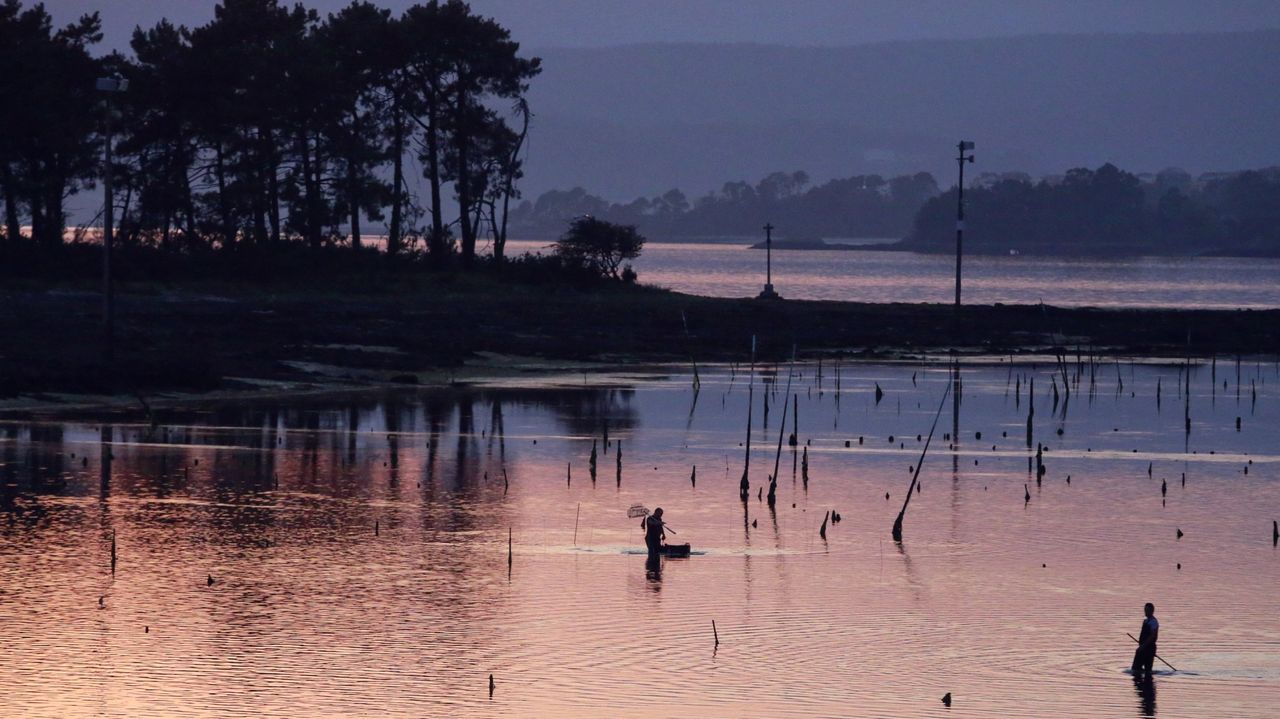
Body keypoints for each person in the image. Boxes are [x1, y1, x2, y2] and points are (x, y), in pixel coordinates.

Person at [1131, 602, 1159, 679]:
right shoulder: (1146, 621)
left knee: (1146, 670)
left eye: (1147, 610)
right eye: (1145, 610)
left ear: (1152, 611)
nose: (1145, 612)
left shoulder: (1153, 622)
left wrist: (1143, 646)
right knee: (1136, 669)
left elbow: (1152, 636)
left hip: (1148, 648)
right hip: (1143, 648)